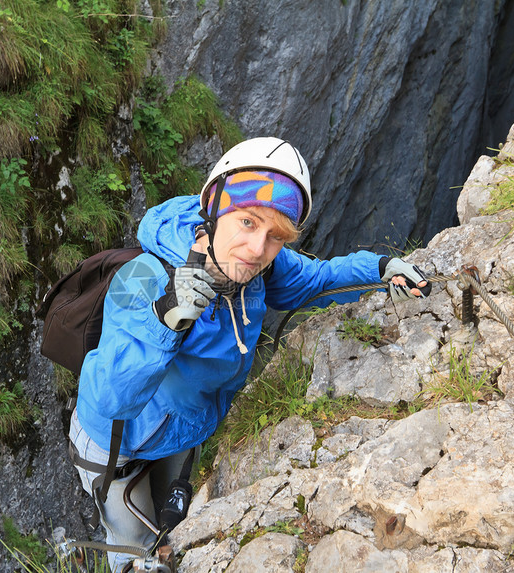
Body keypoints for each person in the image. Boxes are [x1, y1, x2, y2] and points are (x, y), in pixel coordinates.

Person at [67, 137, 430, 572]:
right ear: (214, 210)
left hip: (182, 426)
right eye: (247, 222)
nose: (257, 249)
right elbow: (109, 397)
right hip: (116, 442)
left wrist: (379, 269)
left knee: (173, 531)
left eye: (275, 236)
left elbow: (316, 281)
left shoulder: (261, 271)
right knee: (135, 549)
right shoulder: (145, 277)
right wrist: (164, 319)